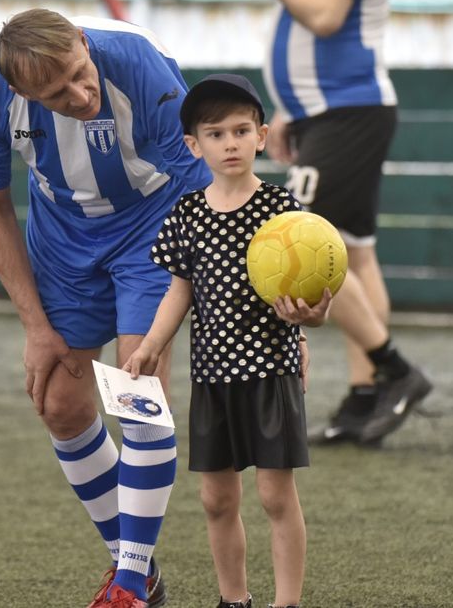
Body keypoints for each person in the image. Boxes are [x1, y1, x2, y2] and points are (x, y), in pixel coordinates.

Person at [0, 8, 213, 608]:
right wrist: (34, 328)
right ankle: (138, 571)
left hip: (157, 223)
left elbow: (206, 188)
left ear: (82, 39)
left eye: (80, 71)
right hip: (65, 236)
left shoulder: (138, 65)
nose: (80, 93)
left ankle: (127, 584)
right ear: (21, 92)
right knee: (61, 406)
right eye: (56, 93)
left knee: (137, 393)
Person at [122, 74, 330, 608]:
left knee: (274, 495)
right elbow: (179, 291)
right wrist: (149, 346)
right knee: (216, 499)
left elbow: (315, 291)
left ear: (262, 135)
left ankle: (288, 602)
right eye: (215, 134)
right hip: (212, 378)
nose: (230, 143)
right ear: (194, 146)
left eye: (241, 130)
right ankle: (233, 599)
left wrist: (316, 314)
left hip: (271, 373)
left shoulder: (282, 209)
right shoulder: (188, 213)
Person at [260, 0, 430, 446]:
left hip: (351, 112)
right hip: (325, 113)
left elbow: (326, 16)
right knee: (354, 253)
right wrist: (288, 107)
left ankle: (394, 369)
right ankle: (367, 395)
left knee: (299, 239)